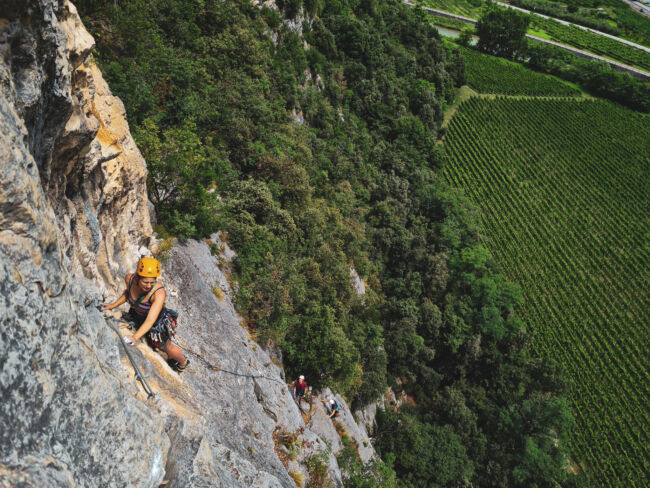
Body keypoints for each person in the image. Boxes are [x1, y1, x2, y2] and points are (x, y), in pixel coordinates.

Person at [103, 257, 189, 372]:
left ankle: (183, 362)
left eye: (152, 282)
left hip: (156, 323)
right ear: (137, 278)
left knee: (164, 346)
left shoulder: (158, 293)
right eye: (145, 282)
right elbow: (128, 294)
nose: (148, 286)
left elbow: (150, 319)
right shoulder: (129, 279)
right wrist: (112, 305)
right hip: (137, 315)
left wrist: (134, 337)